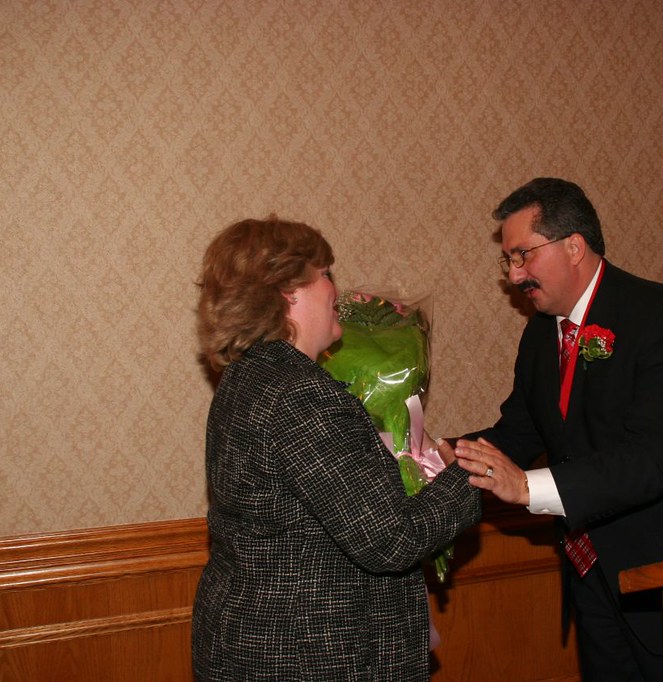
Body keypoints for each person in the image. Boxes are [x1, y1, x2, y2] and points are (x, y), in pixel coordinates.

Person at [452, 178, 663, 681]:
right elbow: (520, 432)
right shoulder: (541, 333)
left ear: (573, 246)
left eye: (522, 256)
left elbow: (653, 459)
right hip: (592, 577)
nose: (514, 275)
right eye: (509, 261)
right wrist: (443, 453)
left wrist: (525, 487)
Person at [191, 216, 482, 681]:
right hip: (311, 654)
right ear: (288, 290)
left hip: (257, 642)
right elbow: (391, 541)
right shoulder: (299, 395)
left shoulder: (247, 380)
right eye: (326, 273)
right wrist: (465, 475)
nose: (336, 291)